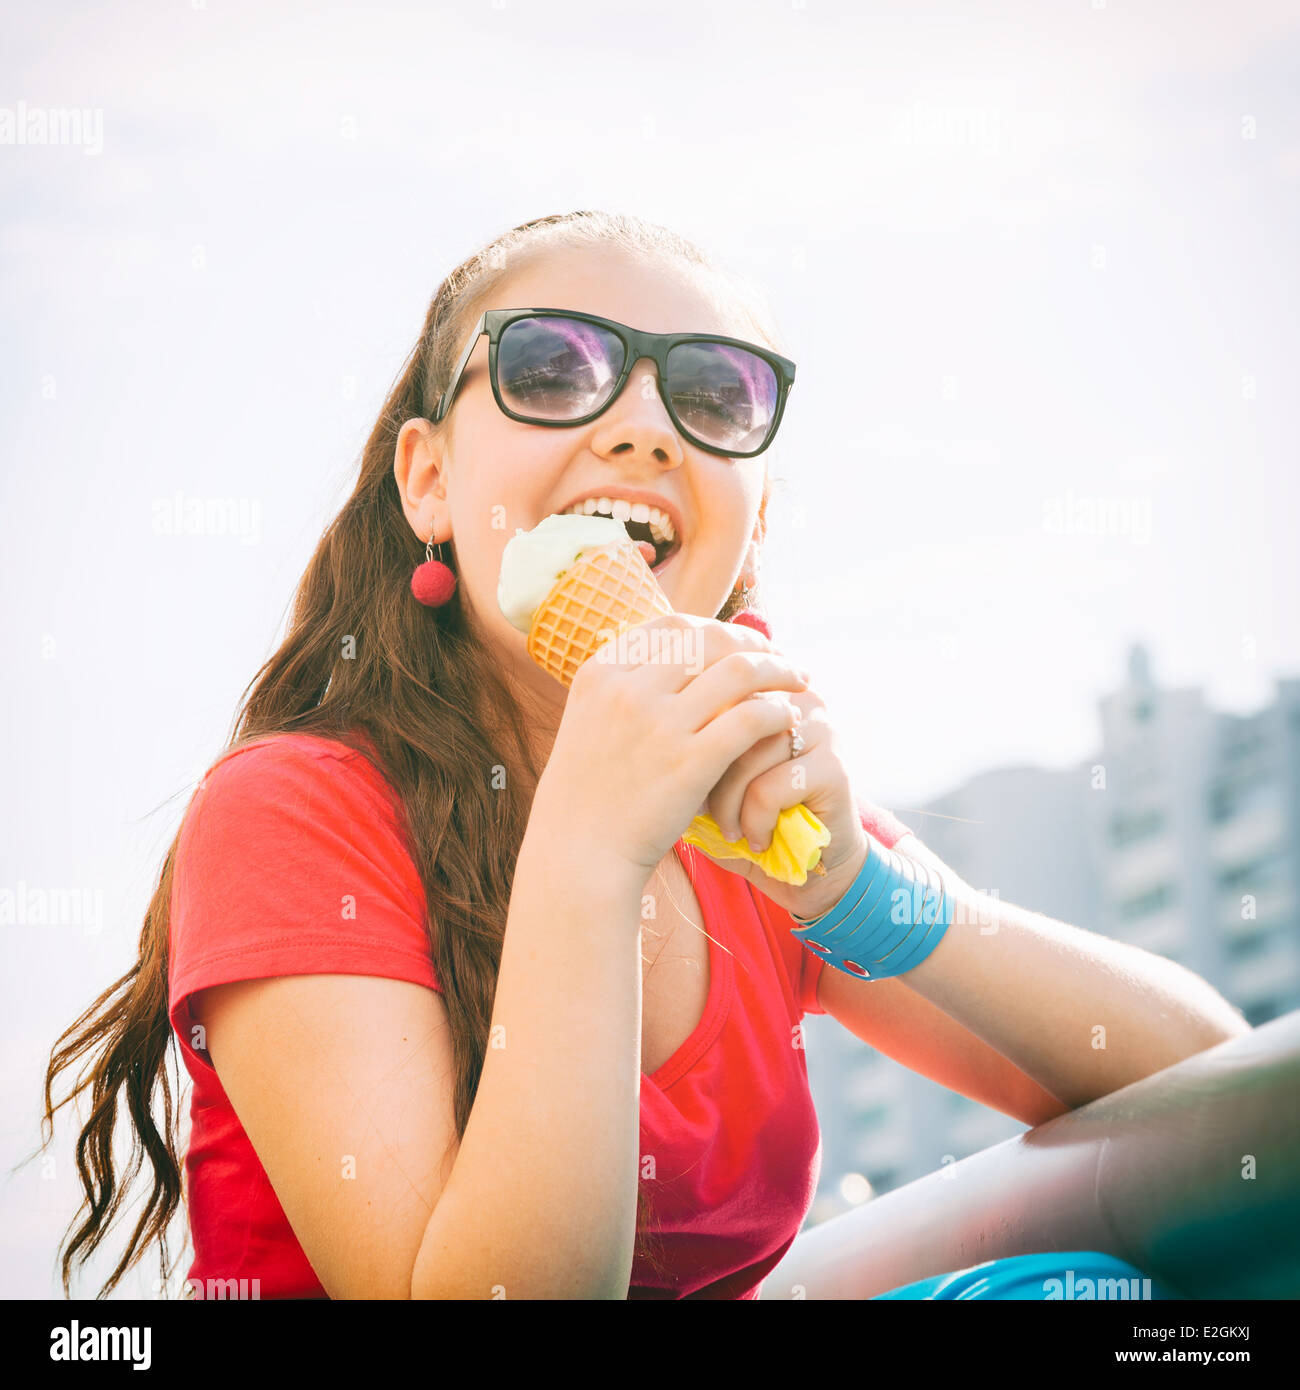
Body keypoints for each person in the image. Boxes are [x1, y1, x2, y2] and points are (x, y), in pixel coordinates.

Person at [37, 210, 1247, 1300]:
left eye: (715, 399)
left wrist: (859, 895)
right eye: (550, 369)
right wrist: (588, 851)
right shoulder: (292, 811)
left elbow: (1216, 1094)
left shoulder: (745, 805)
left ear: (753, 517)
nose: (640, 428)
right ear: (429, 484)